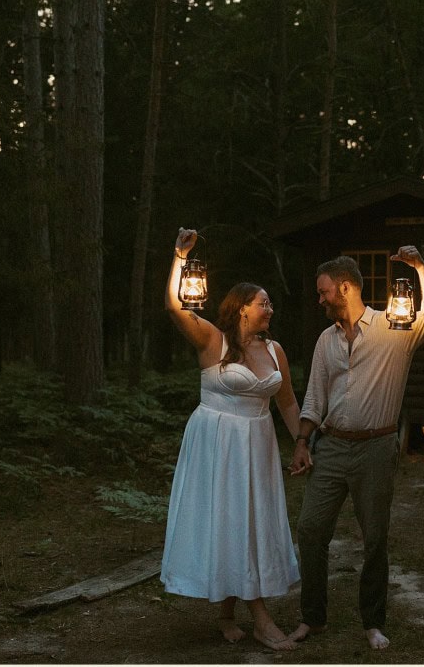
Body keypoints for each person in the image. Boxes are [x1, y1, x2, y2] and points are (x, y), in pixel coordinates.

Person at [287, 248, 424, 650]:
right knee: (309, 529)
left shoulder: (395, 326)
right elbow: (314, 398)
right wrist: (303, 442)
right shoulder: (326, 340)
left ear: (344, 288)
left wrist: (420, 268)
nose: (318, 300)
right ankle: (313, 619)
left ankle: (372, 622)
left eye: (323, 293)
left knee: (374, 537)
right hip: (332, 445)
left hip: (376, 448)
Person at [160, 227, 301, 651]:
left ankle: (228, 613)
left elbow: (288, 404)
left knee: (251, 522)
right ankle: (259, 619)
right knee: (226, 519)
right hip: (217, 443)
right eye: (263, 303)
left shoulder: (276, 351)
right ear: (241, 309)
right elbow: (173, 306)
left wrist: (302, 443)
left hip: (256, 445)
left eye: (270, 303)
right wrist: (180, 258)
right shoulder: (212, 340)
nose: (270, 309)